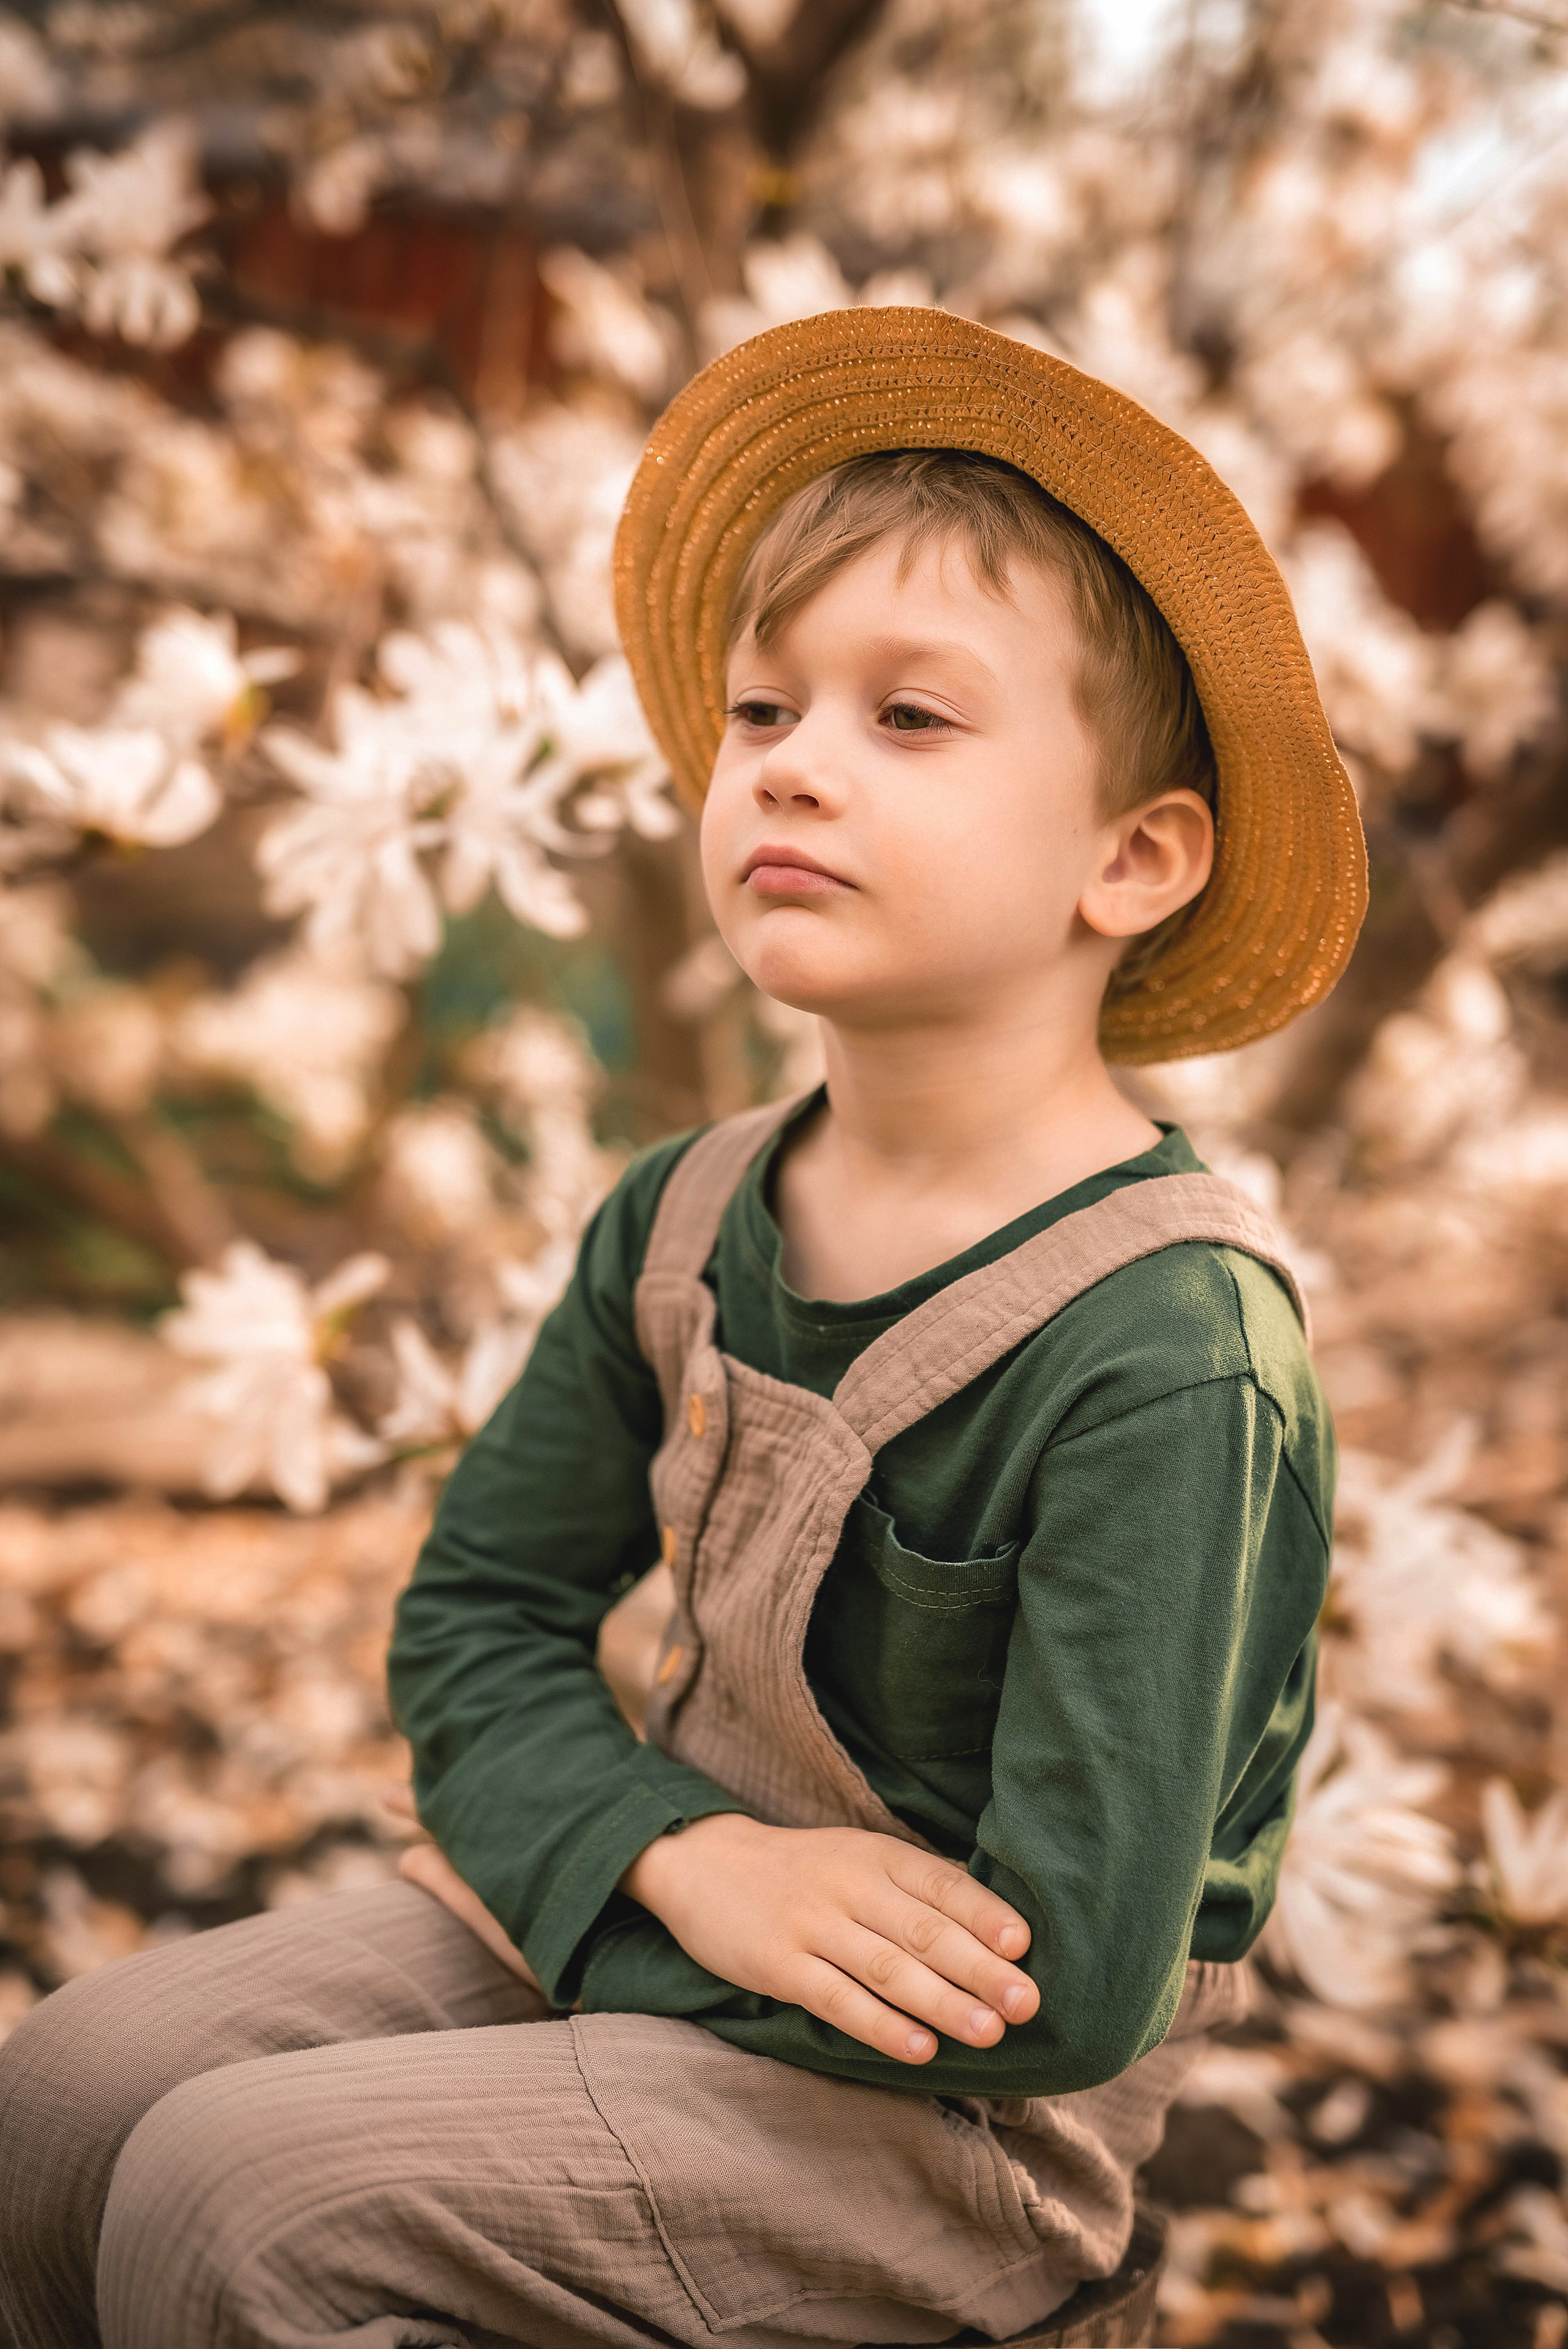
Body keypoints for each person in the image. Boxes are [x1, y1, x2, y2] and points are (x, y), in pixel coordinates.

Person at [0, 307, 1366, 2349]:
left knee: (241, 2195)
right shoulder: (691, 1212)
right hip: (666, 1908)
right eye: (761, 710)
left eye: (911, 719)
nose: (795, 760)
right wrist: (673, 1855)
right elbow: (473, 1617)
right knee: (66, 2093)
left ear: (1133, 857)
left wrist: (634, 1880)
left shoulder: (1166, 1347)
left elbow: (1066, 1980)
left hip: (949, 2123)